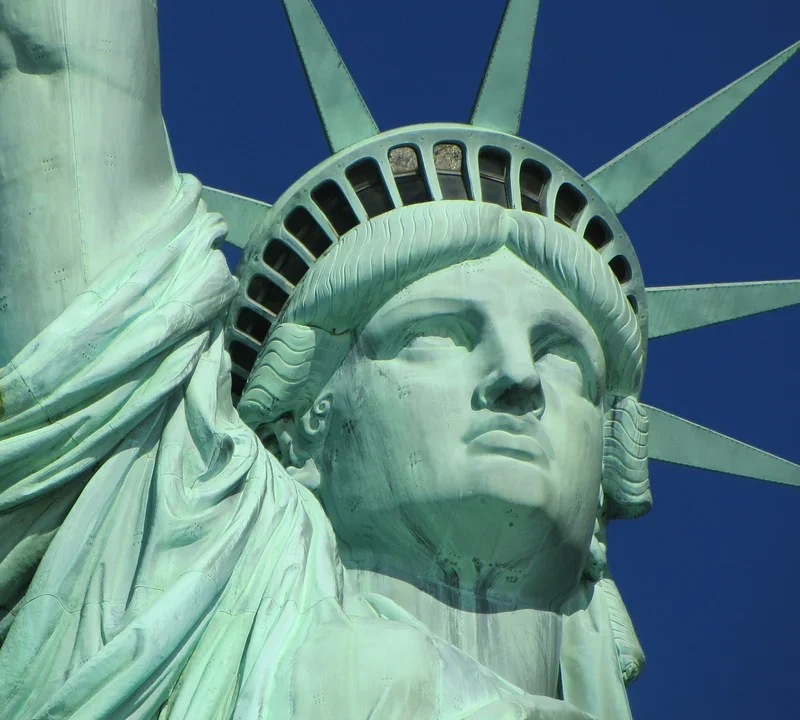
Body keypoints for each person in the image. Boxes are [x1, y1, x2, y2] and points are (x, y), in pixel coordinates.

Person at [0, 1, 650, 718]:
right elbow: (54, 63)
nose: (519, 376)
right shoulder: (162, 557)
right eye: (437, 335)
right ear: (300, 427)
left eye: (567, 360)